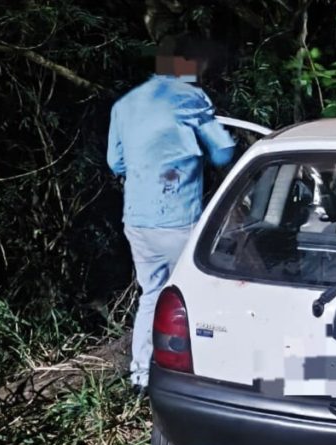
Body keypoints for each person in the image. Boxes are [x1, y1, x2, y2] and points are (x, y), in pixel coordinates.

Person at [107, 38, 235, 395]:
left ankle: (141, 375)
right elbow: (223, 152)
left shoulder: (125, 104)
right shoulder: (190, 99)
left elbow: (115, 162)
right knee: (198, 295)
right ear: (188, 65)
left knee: (152, 293)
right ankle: (202, 374)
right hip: (179, 219)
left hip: (138, 219)